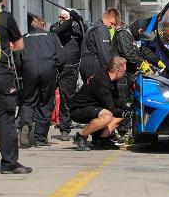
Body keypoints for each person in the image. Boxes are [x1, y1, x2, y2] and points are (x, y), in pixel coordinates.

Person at [0, 0, 31, 174]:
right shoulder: (4, 17)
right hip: (1, 74)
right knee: (5, 118)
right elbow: (20, 45)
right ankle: (9, 163)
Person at [16, 16, 65, 148]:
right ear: (43, 26)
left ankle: (25, 125)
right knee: (46, 102)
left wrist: (23, 71)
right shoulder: (52, 36)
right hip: (48, 70)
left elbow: (17, 60)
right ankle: (40, 139)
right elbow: (61, 57)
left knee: (28, 101)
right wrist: (58, 69)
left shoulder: (23, 37)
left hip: (29, 70)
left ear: (32, 26)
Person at [70, 56, 130, 151]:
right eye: (124, 71)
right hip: (79, 108)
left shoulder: (110, 79)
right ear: (117, 71)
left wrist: (128, 107)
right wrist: (126, 112)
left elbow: (115, 100)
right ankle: (81, 136)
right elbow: (111, 108)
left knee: (121, 114)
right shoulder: (102, 81)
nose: (125, 73)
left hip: (93, 106)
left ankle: (101, 139)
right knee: (108, 116)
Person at [50, 9, 84, 141]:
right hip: (55, 68)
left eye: (65, 17)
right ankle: (40, 131)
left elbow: (86, 33)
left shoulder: (77, 28)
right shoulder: (55, 27)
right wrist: (70, 20)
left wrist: (79, 20)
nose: (61, 19)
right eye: (61, 17)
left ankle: (65, 128)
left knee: (66, 100)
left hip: (71, 69)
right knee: (47, 98)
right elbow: (58, 31)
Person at [80, 8, 120, 80]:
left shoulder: (92, 27)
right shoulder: (102, 29)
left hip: (85, 65)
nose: (112, 27)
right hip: (94, 67)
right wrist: (112, 71)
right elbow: (105, 54)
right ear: (105, 17)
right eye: (112, 23)